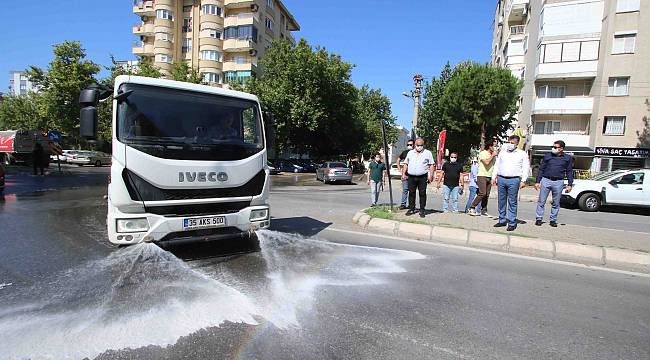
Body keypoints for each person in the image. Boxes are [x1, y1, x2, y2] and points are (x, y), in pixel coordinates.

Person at [491, 135, 530, 231]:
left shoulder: (522, 154)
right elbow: (497, 165)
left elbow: (526, 167)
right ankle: (502, 220)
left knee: (512, 201)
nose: (510, 144)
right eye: (509, 142)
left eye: (512, 143)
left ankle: (512, 222)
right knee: (501, 200)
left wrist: (523, 180)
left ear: (517, 144)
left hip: (514, 179)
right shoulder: (502, 153)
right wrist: (493, 177)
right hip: (501, 178)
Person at [534, 140, 573, 227]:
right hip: (546, 180)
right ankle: (539, 218)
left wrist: (570, 184)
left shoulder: (567, 158)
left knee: (556, 202)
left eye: (555, 147)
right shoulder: (547, 156)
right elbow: (541, 169)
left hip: (559, 182)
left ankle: (553, 220)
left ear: (561, 149)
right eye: (553, 147)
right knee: (541, 201)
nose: (553, 148)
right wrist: (537, 181)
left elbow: (569, 171)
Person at [401, 138, 435, 218]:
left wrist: (431, 175)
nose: (419, 146)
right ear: (415, 145)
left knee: (422, 193)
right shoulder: (410, 153)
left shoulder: (428, 153)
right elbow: (406, 163)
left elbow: (431, 165)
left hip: (422, 177)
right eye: (417, 145)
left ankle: (422, 210)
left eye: (421, 145)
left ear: (423, 145)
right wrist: (403, 174)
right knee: (411, 193)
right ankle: (411, 208)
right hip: (411, 176)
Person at [468, 140, 498, 216]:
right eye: (494, 146)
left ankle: (484, 210)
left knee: (487, 194)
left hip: (490, 176)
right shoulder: (483, 153)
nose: (495, 148)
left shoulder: (493, 155)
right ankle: (472, 207)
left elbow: (494, 166)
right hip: (482, 175)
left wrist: (494, 177)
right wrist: (492, 156)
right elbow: (486, 162)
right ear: (490, 146)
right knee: (482, 192)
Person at [396, 139, 415, 209]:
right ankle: (403, 204)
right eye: (408, 145)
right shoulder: (405, 152)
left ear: (414, 145)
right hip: (405, 175)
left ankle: (411, 205)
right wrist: (400, 170)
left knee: (412, 191)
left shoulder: (416, 152)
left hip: (413, 175)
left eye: (410, 145)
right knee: (405, 190)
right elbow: (398, 160)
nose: (409, 146)